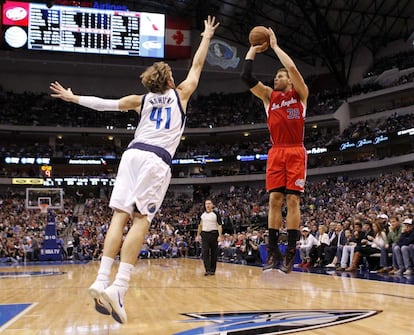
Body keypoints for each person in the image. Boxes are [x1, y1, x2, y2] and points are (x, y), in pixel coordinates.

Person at [49, 16, 219, 324]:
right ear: (169, 80)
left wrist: (73, 97)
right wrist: (205, 36)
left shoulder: (140, 100)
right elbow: (197, 66)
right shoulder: (181, 94)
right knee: (141, 220)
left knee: (119, 217)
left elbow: (104, 104)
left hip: (131, 155)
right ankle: (119, 287)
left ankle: (101, 280)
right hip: (155, 160)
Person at [241, 27, 309, 273]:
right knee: (274, 200)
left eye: (279, 77)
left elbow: (292, 69)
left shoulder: (300, 94)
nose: (275, 79)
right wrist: (253, 50)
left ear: (289, 81)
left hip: (295, 151)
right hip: (277, 151)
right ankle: (272, 252)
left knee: (292, 200)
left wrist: (276, 46)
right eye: (275, 77)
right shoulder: (269, 97)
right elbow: (247, 77)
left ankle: (291, 252)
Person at [197, 199, 223, 275]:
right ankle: (207, 269)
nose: (208, 205)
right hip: (204, 234)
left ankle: (212, 270)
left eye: (209, 203)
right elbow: (200, 225)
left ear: (212, 205)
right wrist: (198, 235)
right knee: (205, 252)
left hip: (214, 234)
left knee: (214, 253)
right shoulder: (202, 214)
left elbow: (219, 225)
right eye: (206, 204)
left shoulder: (216, 214)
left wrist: (220, 235)